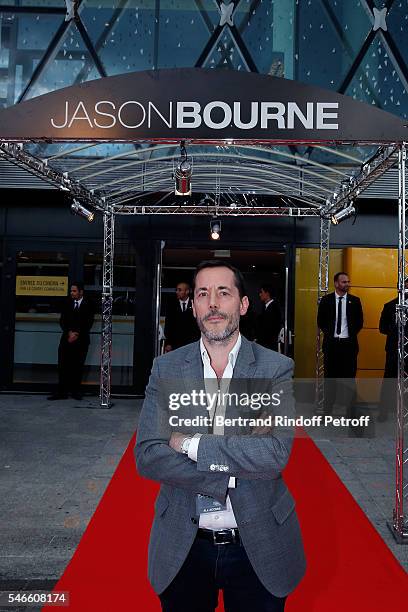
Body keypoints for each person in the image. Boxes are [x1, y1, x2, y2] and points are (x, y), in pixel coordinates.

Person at [135, 260, 305, 611]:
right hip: (183, 544)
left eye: (223, 293)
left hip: (259, 543)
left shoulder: (275, 369)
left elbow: (273, 455)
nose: (212, 303)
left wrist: (187, 443)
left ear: (242, 305)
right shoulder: (165, 368)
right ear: (195, 306)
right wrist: (236, 460)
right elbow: (149, 455)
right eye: (203, 294)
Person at [317, 272, 363, 415]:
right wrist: (332, 333)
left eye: (348, 281)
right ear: (336, 283)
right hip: (332, 346)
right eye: (344, 282)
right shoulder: (326, 300)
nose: (347, 284)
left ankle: (351, 412)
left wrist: (348, 335)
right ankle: (327, 411)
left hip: (348, 346)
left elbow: (359, 322)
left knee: (349, 380)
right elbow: (321, 321)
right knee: (330, 380)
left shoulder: (355, 301)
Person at [48, 282, 94, 401]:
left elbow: (88, 322)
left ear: (81, 292)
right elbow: (63, 320)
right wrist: (69, 332)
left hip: (81, 340)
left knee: (77, 366)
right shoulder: (67, 303)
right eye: (71, 291)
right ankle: (61, 392)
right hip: (66, 340)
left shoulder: (89, 304)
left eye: (74, 291)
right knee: (63, 365)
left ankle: (75, 392)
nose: (71, 293)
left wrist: (77, 333)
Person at [378, 295, 399, 422]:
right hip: (393, 349)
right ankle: (384, 411)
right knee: (389, 380)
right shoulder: (390, 305)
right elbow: (382, 328)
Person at [164, 281, 200, 351]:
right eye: (176, 290)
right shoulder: (172, 305)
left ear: (187, 291)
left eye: (179, 290)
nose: (177, 292)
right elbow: (168, 325)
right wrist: (168, 343)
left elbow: (198, 325)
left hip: (192, 343)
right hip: (176, 344)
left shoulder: (195, 304)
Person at [255, 283, 282, 351]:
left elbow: (269, 329)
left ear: (267, 293)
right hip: (265, 344)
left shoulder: (273, 308)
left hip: (268, 345)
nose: (260, 294)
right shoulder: (266, 308)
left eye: (261, 292)